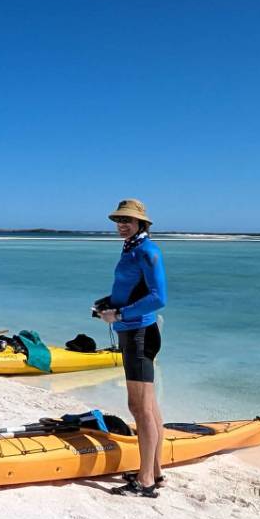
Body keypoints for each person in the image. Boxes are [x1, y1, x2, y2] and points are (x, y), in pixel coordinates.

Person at [96, 199, 167, 497]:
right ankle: (156, 471)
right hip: (131, 331)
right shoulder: (130, 248)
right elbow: (127, 290)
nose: (122, 225)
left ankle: (146, 480)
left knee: (139, 408)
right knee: (148, 407)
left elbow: (158, 297)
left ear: (141, 223)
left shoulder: (147, 251)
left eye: (128, 220)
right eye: (119, 220)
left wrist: (121, 314)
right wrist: (106, 304)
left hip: (139, 334)